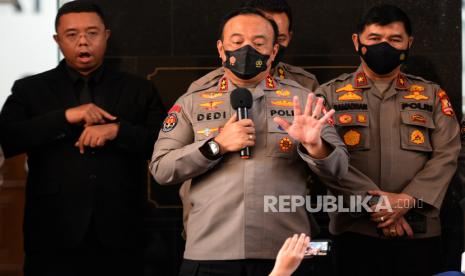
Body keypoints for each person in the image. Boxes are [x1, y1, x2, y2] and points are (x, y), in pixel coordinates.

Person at [151, 7, 348, 276]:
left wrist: (316, 146)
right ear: (221, 49)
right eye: (237, 41)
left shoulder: (303, 99)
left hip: (286, 252)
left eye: (258, 43)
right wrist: (215, 145)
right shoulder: (192, 101)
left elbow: (339, 170)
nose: (247, 50)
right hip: (209, 252)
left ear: (274, 52)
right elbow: (161, 169)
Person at [0, 1, 165, 275]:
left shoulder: (139, 89)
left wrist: (117, 131)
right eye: (72, 34)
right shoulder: (30, 89)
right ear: (57, 39)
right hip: (52, 233)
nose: (83, 42)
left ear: (106, 35)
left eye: (92, 33)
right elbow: (9, 138)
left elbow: (164, 144)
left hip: (121, 230)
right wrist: (65, 117)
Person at [315, 4, 461, 276]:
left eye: (395, 40)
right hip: (354, 232)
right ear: (357, 42)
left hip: (419, 233)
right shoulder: (330, 95)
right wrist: (380, 207)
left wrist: (406, 200)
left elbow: (447, 154)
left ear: (409, 43)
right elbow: (325, 160)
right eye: (375, 39)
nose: (385, 47)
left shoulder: (431, 95)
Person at [178, 0, 321, 241]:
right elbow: (171, 166)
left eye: (264, 40)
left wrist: (316, 147)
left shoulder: (304, 87)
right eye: (242, 40)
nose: (250, 50)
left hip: (283, 220)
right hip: (214, 227)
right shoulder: (201, 90)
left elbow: (328, 164)